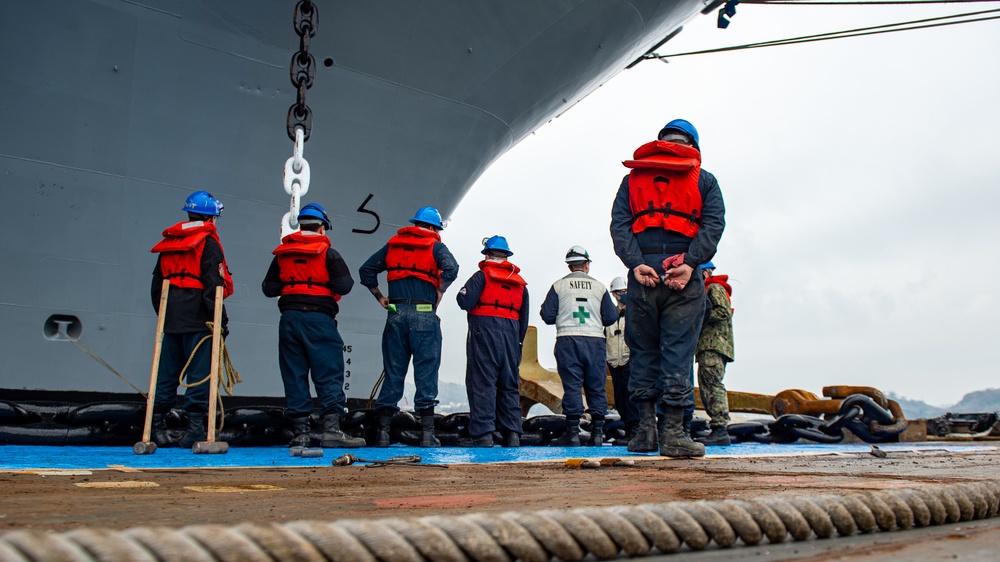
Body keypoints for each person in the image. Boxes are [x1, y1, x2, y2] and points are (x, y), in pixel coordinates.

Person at [610, 118, 725, 458]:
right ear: (694, 145)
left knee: (643, 352)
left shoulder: (632, 179)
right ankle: (674, 434)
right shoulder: (704, 180)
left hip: (643, 275)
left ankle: (645, 433)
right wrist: (690, 263)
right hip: (683, 278)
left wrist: (635, 263)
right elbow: (713, 224)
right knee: (678, 353)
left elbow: (620, 225)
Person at [262, 203, 363, 448]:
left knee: (294, 374)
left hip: (290, 320)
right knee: (328, 373)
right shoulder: (329, 254)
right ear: (322, 229)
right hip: (319, 320)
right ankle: (331, 430)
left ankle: (300, 433)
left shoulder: (282, 254)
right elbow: (345, 286)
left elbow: (269, 288)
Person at [359, 206, 459, 447]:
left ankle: (382, 434)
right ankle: (427, 434)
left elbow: (366, 270)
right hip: (424, 313)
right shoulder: (436, 247)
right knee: (426, 373)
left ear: (415, 224)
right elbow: (452, 268)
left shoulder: (392, 246)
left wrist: (379, 296)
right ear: (434, 228)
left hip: (395, 312)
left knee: (393, 372)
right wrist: (440, 289)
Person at [149, 191, 233, 448]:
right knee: (198, 374)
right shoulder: (208, 244)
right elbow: (213, 286)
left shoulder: (170, 243)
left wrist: (166, 315)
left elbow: (156, 287)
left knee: (165, 375)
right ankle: (195, 429)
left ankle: (156, 427)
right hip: (199, 320)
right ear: (212, 218)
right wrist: (221, 321)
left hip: (171, 317)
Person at [540, 246, 619, 446]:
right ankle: (597, 435)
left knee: (573, 387)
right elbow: (611, 317)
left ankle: (573, 434)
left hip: (568, 340)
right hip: (594, 341)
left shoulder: (558, 286)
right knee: (596, 387)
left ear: (569, 265)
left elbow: (547, 316)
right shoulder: (599, 287)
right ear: (586, 265)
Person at [455, 235, 529, 448]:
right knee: (509, 384)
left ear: (487, 254)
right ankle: (512, 434)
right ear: (506, 256)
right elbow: (523, 315)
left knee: (482, 382)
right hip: (512, 334)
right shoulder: (520, 284)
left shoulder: (481, 276)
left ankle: (483, 434)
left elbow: (464, 301)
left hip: (484, 331)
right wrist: (517, 342)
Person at [695, 260, 734, 446]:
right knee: (707, 385)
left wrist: (697, 314)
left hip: (713, 345)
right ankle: (718, 428)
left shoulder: (714, 288)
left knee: (712, 385)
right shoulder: (710, 289)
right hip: (710, 345)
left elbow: (723, 312)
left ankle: (720, 428)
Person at [605, 276, 638, 442]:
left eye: (626, 291)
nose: (623, 294)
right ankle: (627, 426)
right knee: (620, 398)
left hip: (630, 361)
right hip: (613, 362)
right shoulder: (609, 317)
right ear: (614, 294)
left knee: (632, 396)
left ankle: (635, 430)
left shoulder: (635, 314)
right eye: (620, 292)